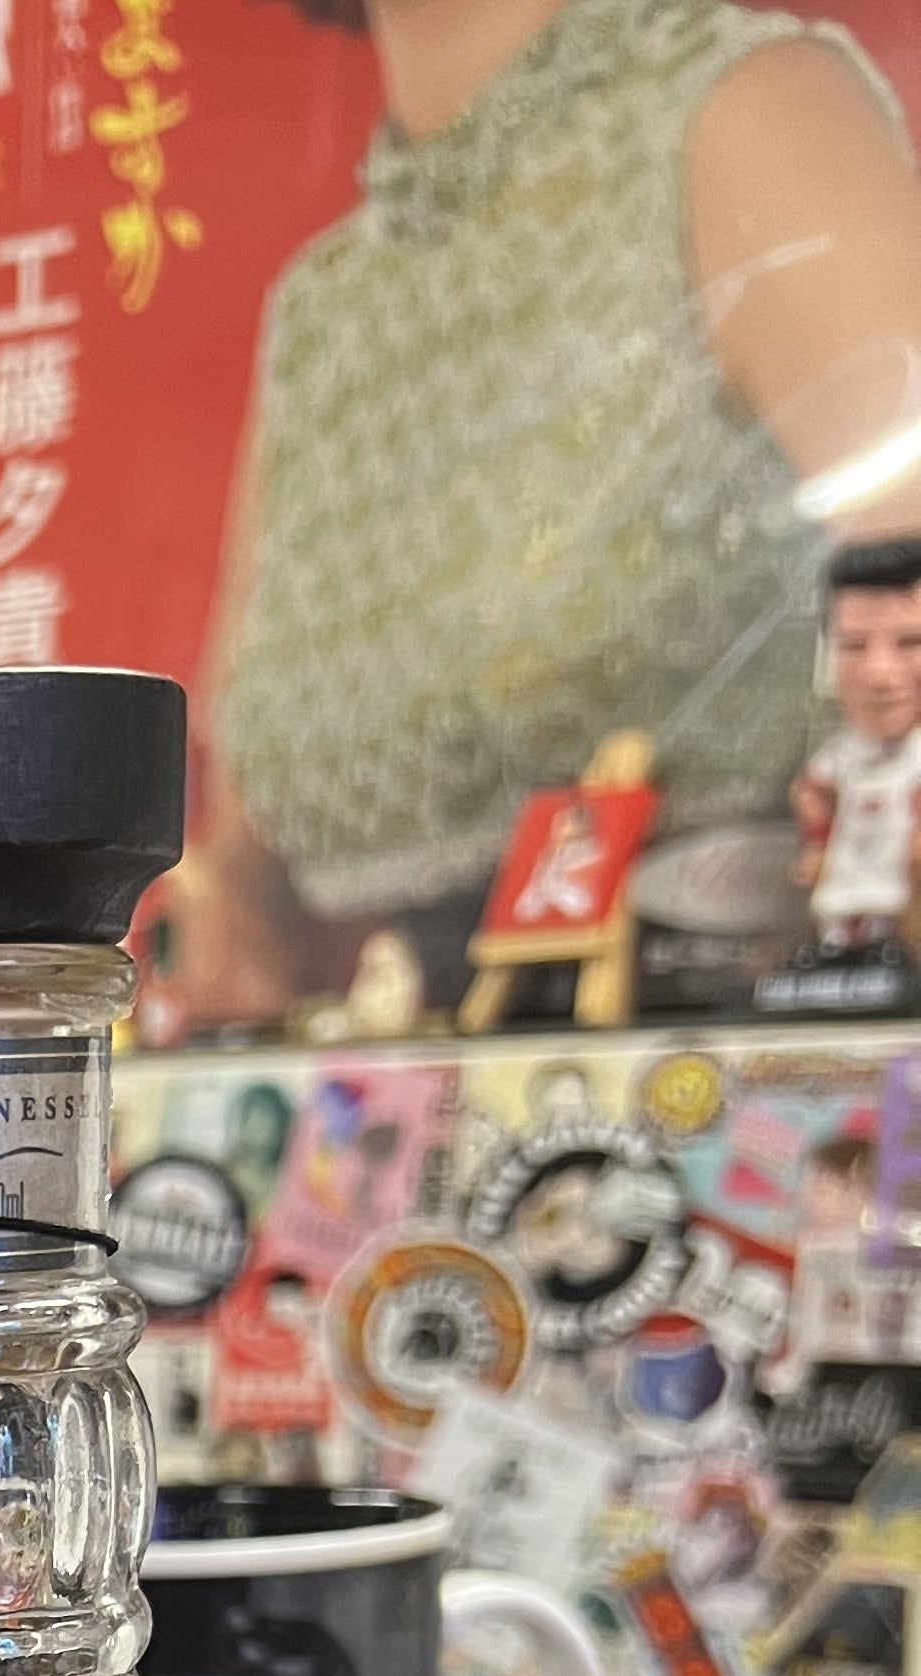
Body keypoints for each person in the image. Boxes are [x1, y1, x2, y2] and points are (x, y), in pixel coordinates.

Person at [159, 0, 921, 1025]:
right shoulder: (321, 312)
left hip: (731, 1064)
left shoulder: (740, 116)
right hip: (395, 1082)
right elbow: (249, 843)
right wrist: (227, 904)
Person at [796, 536, 921, 951]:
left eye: (911, 642)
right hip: (852, 893)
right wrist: (816, 842)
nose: (879, 673)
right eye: (853, 646)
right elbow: (814, 794)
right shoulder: (844, 754)